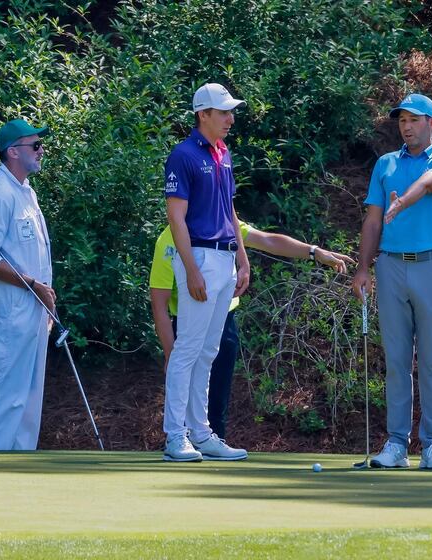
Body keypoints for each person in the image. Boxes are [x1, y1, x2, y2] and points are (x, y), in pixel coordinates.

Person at [149, 223, 353, 440]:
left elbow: (267, 240)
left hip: (223, 325)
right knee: (184, 407)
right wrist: (171, 354)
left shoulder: (223, 224)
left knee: (216, 405)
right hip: (187, 326)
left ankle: (212, 452)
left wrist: (314, 252)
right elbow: (159, 306)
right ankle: (178, 446)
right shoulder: (168, 240)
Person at [351, 93, 432, 470]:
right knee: (397, 362)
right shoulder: (385, 164)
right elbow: (372, 220)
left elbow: (428, 183)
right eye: (402, 120)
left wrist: (403, 202)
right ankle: (397, 444)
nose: (407, 126)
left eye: (415, 119)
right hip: (391, 266)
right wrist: (363, 268)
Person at [161, 83, 251, 462]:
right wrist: (191, 269)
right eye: (224, 112)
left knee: (208, 351)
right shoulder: (182, 155)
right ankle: (174, 436)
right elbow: (176, 217)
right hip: (198, 255)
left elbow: (230, 210)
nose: (231, 118)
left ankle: (201, 433)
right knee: (187, 349)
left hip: (225, 257)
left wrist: (243, 258)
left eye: (231, 111)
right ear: (203, 115)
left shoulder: (223, 152)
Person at [0, 118, 56, 450]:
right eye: (35, 146)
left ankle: (18, 475)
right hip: (7, 308)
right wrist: (34, 285)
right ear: (13, 152)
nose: (41, 151)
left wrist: (45, 293)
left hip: (32, 307)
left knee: (28, 397)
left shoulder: (26, 192)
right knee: (4, 394)